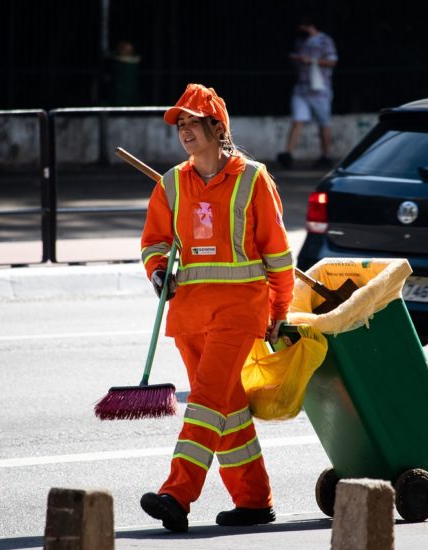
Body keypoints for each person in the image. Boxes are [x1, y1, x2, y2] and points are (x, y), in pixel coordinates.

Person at [139, 83, 295, 532]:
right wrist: (157, 272)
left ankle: (177, 494)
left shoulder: (252, 178)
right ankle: (253, 500)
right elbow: (154, 242)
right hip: (187, 315)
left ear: (216, 126)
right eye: (180, 124)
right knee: (226, 407)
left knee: (206, 402)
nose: (184, 130)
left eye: (192, 122)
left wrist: (278, 311)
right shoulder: (172, 183)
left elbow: (278, 254)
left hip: (238, 313)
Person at [277, 16, 338, 169]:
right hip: (301, 88)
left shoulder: (324, 40)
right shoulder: (301, 42)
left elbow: (332, 61)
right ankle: (288, 154)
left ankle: (326, 155)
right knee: (297, 119)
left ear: (308, 24)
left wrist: (311, 61)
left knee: (323, 123)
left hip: (320, 89)